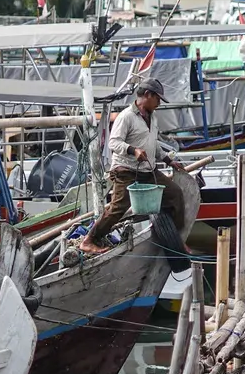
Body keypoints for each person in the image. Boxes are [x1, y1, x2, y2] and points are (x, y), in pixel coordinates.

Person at [80, 78, 187, 254]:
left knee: (175, 195)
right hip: (126, 171)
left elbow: (153, 143)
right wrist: (133, 150)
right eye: (158, 99)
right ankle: (89, 240)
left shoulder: (152, 117)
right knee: (117, 209)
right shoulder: (126, 116)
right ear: (147, 95)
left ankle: (176, 240)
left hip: (148, 171)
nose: (159, 103)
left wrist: (168, 160)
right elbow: (113, 142)